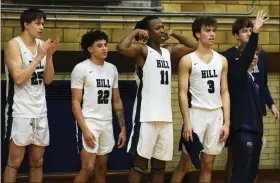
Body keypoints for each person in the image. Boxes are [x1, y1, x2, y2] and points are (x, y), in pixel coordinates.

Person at [116, 15, 197, 183]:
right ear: (147, 32)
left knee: (160, 167)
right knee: (139, 164)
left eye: (163, 27)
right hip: (146, 117)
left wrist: (174, 34)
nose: (162, 30)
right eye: (158, 28)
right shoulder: (142, 50)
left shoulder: (168, 51)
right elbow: (121, 47)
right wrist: (135, 32)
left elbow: (194, 46)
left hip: (165, 117)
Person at [171, 16, 230, 183]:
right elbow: (182, 93)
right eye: (207, 30)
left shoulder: (222, 60)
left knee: (208, 164)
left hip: (216, 114)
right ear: (197, 34)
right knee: (186, 162)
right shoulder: (187, 60)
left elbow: (225, 91)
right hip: (196, 113)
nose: (212, 34)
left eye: (213, 31)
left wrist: (227, 122)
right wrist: (187, 121)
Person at [3, 8, 59, 183]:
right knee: (15, 162)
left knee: (37, 162)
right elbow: (18, 78)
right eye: (37, 23)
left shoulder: (41, 46)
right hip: (20, 110)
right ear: (26, 25)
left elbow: (48, 80)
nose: (41, 27)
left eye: (43, 23)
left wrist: (48, 56)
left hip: (40, 110)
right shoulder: (14, 44)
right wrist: (38, 57)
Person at [224, 13, 279, 182]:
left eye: (250, 31)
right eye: (244, 31)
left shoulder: (253, 75)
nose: (254, 58)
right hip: (240, 122)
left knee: (252, 168)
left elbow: (263, 85)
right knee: (239, 165)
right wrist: (255, 31)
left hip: (255, 124)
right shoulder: (234, 63)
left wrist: (271, 104)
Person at [71, 30, 127, 183]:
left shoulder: (112, 69)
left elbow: (117, 100)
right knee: (88, 168)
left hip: (107, 123)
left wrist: (122, 128)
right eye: (99, 46)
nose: (104, 48)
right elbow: (75, 102)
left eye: (106, 45)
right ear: (90, 49)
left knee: (102, 169)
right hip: (90, 122)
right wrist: (85, 129)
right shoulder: (81, 68)